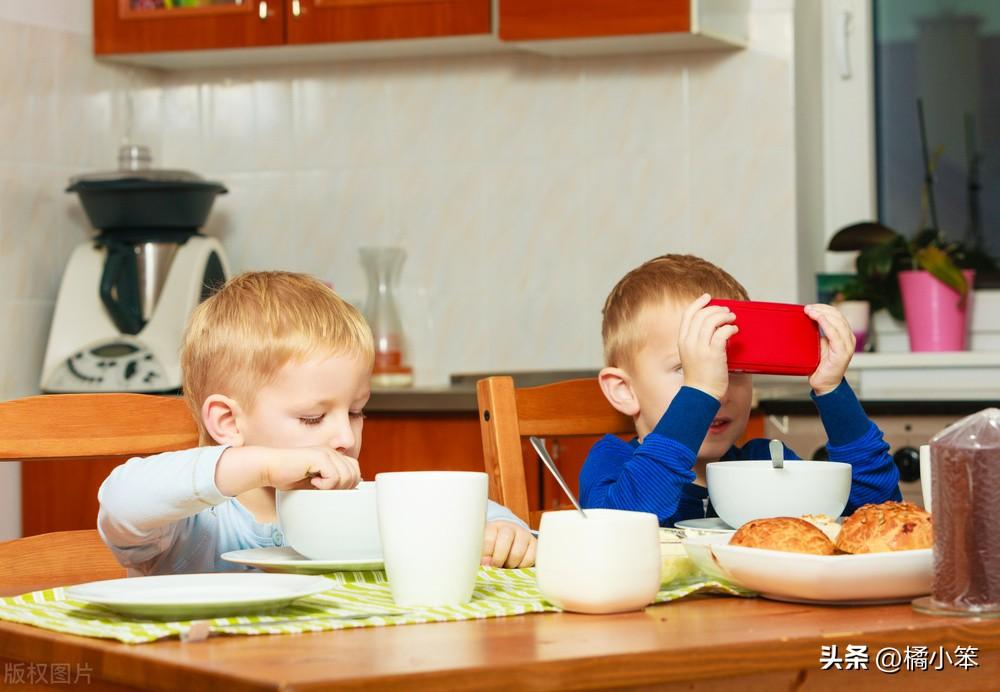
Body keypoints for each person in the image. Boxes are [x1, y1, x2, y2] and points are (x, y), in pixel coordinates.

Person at [98, 271, 536, 574]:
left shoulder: (359, 506)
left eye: (356, 411)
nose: (345, 437)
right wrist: (263, 465)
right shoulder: (191, 526)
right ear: (228, 421)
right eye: (312, 417)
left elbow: (480, 516)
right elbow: (121, 503)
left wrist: (506, 535)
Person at [579, 254, 901, 526]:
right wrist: (699, 392)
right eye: (688, 368)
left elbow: (877, 516)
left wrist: (833, 391)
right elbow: (619, 531)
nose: (718, 390)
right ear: (624, 390)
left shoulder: (766, 463)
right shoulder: (611, 463)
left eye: (736, 369)